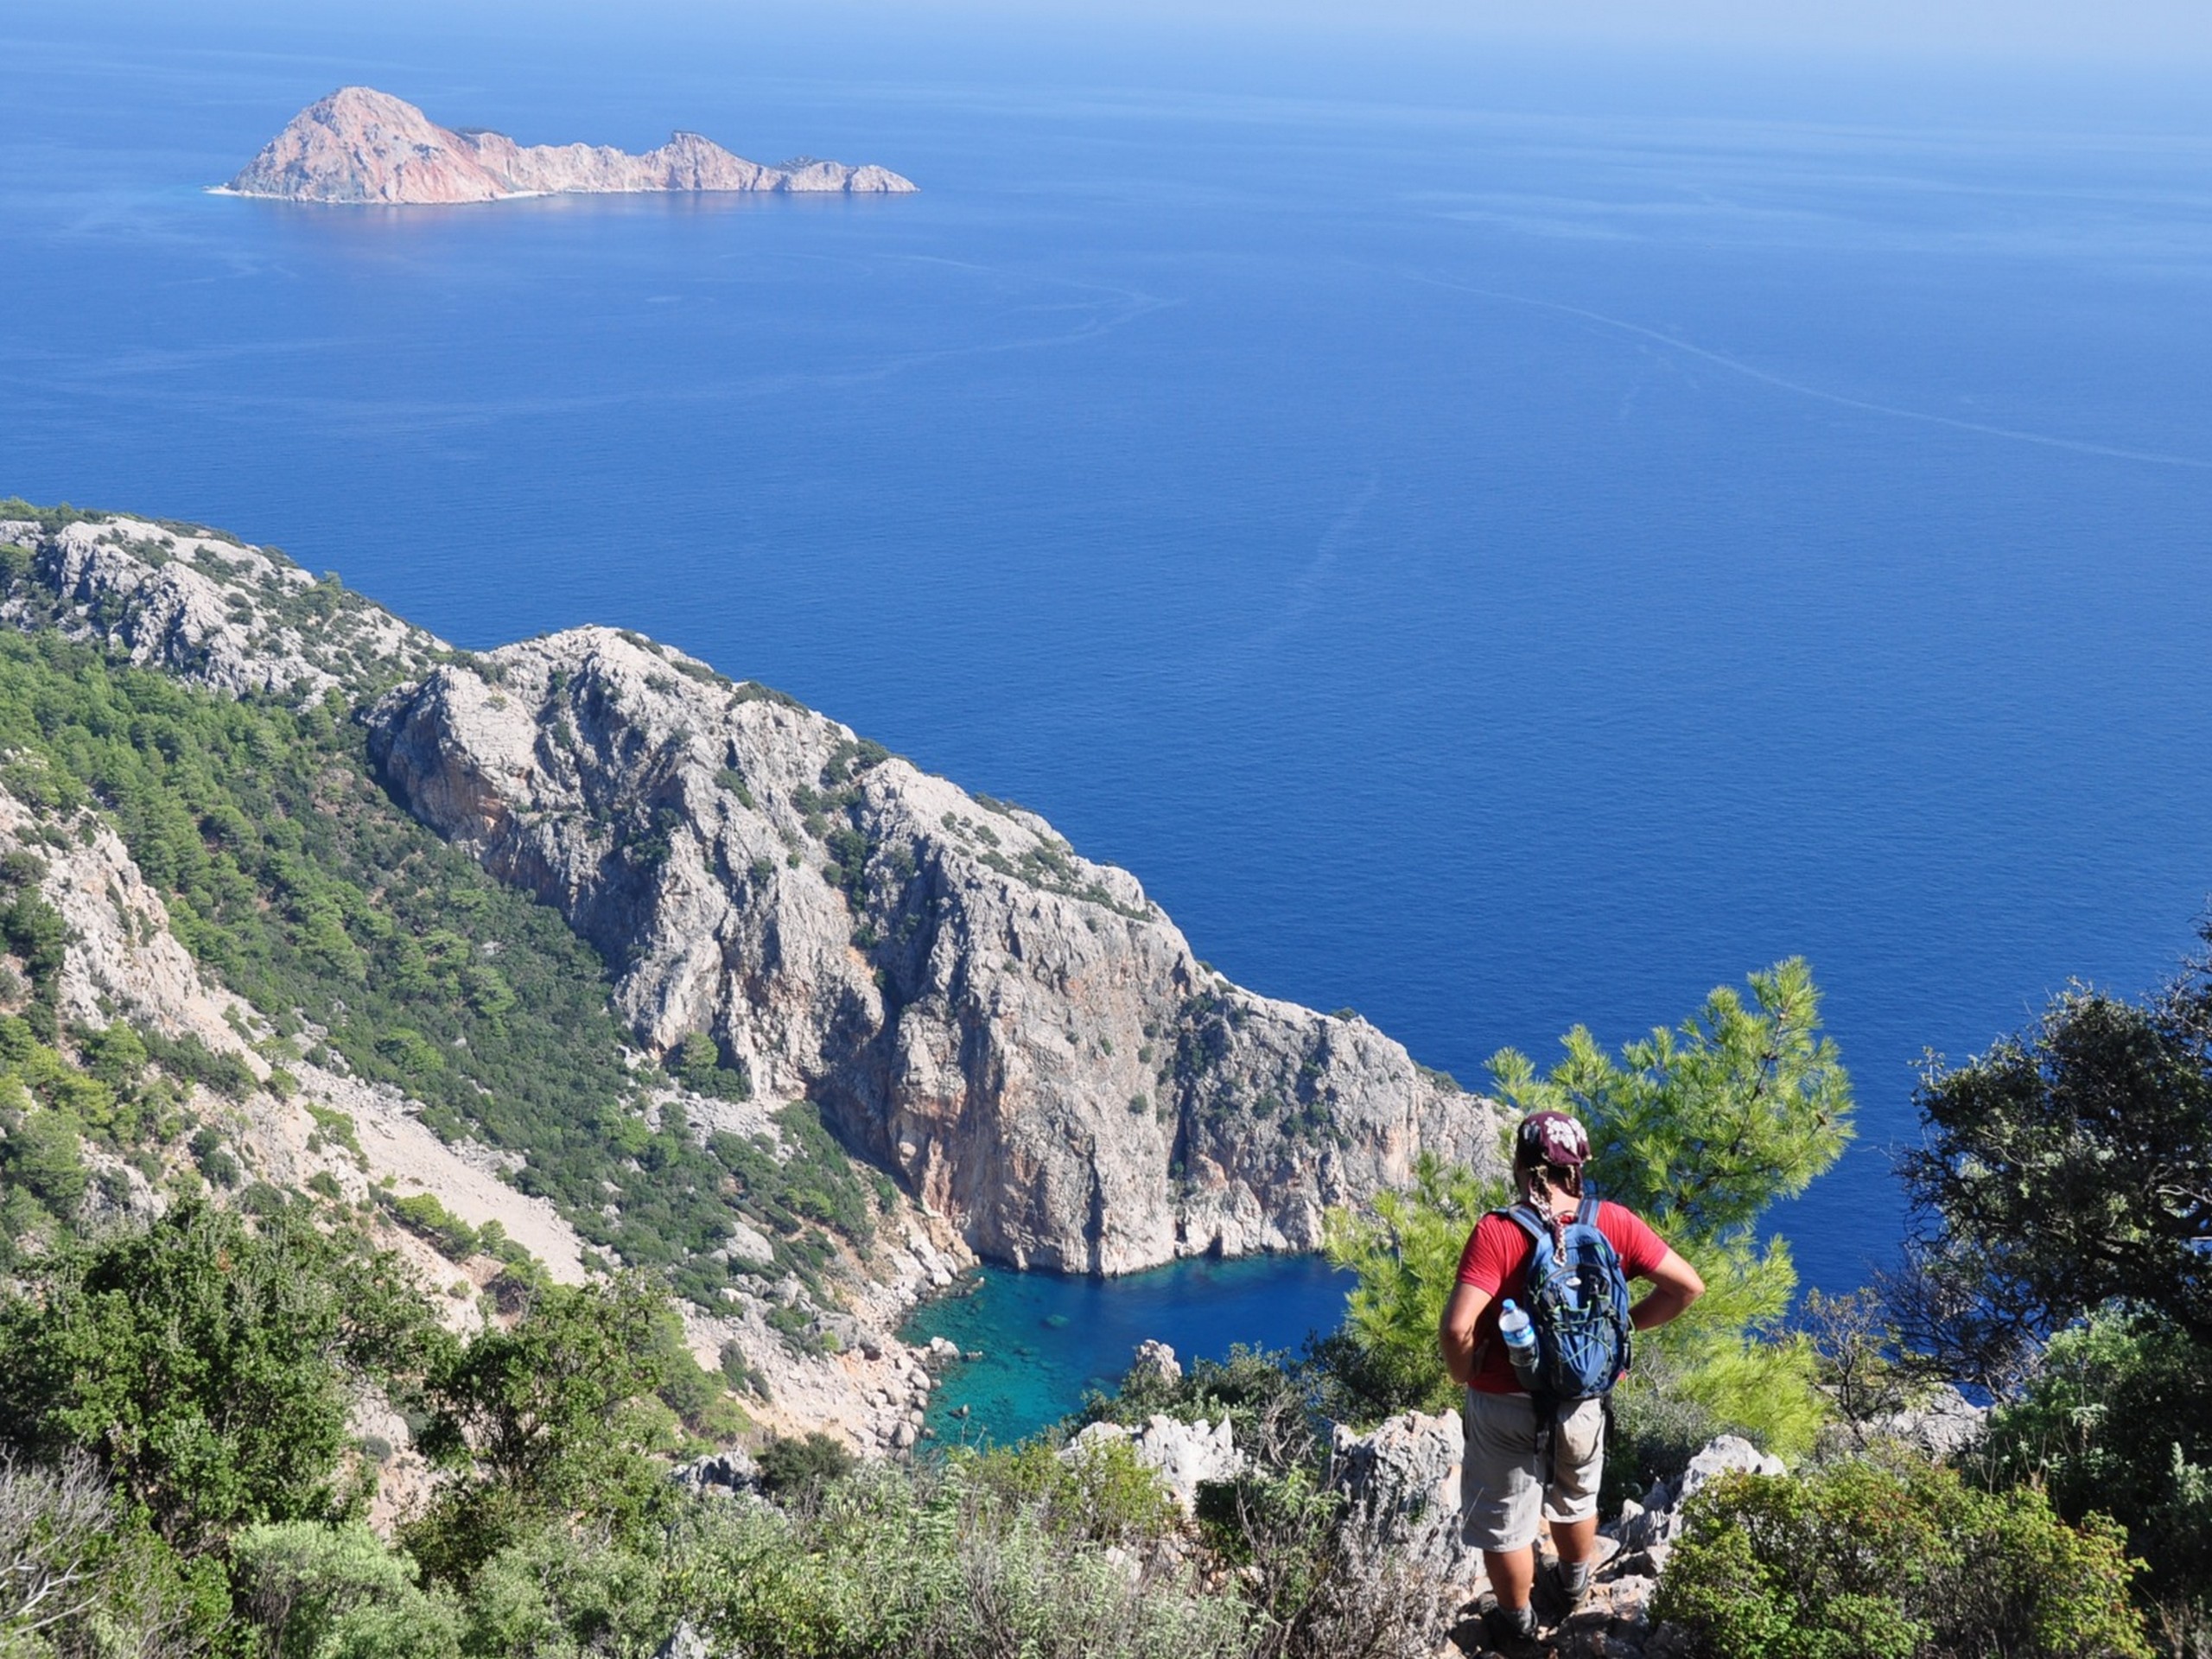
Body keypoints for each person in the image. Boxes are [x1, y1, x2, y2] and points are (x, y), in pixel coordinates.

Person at [1438, 1109, 1704, 1653]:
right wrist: (1625, 1326)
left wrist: (1463, 1370)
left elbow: (1457, 1326)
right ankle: (1573, 1584)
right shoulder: (1615, 1222)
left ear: (1521, 1164)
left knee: (1508, 1524)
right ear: (1577, 1168)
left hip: (1503, 1399)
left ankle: (1514, 1625)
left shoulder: (1499, 1231)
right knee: (1577, 1498)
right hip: (1583, 1397)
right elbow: (1687, 1288)